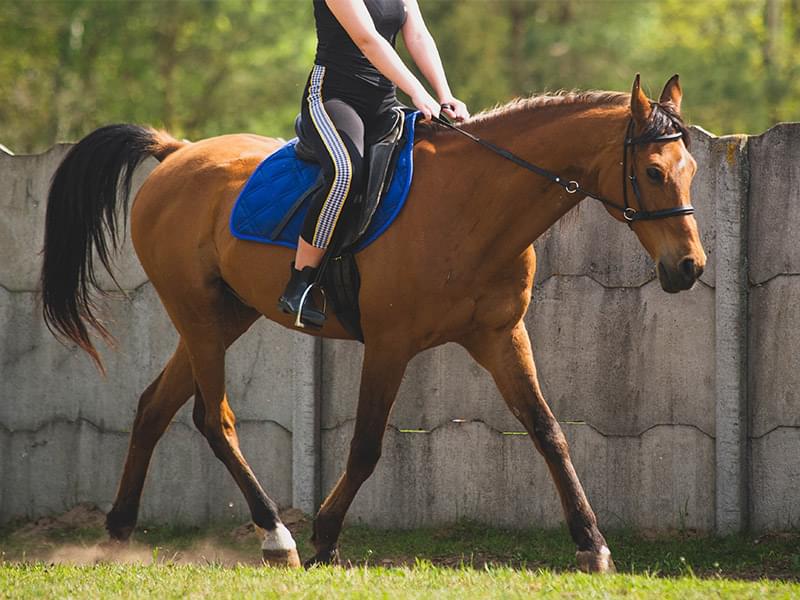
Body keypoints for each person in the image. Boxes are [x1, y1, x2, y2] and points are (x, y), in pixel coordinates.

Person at [278, 0, 469, 327]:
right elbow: (368, 39)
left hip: (382, 103)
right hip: (333, 97)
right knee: (344, 173)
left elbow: (419, 36)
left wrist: (445, 93)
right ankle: (301, 282)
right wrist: (418, 93)